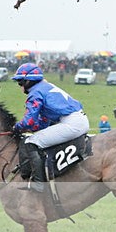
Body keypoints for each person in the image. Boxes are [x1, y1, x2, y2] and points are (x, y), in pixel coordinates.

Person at [11, 62, 90, 192]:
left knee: (31, 142)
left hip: (71, 123)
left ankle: (39, 183)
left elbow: (28, 122)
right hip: (78, 120)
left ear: (28, 81)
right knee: (37, 139)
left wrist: (15, 128)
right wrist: (29, 128)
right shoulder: (46, 87)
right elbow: (42, 123)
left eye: (20, 82)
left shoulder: (35, 93)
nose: (20, 86)